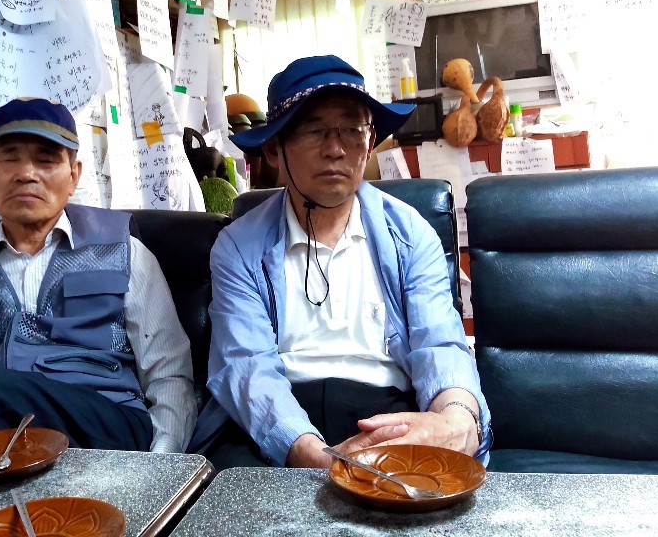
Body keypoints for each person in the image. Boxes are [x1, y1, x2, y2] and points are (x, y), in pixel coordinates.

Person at [200, 56, 490, 468]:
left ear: (369, 144)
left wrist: (456, 420)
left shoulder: (410, 234)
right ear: (274, 149)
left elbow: (439, 344)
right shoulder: (238, 246)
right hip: (274, 422)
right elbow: (245, 366)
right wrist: (309, 453)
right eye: (314, 130)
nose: (335, 149)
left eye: (353, 130)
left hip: (384, 415)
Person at [0, 98, 196, 454]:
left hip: (106, 432)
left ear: (74, 175)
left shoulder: (124, 251)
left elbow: (169, 376)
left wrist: (159, 465)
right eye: (10, 159)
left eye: (46, 160)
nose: (26, 174)